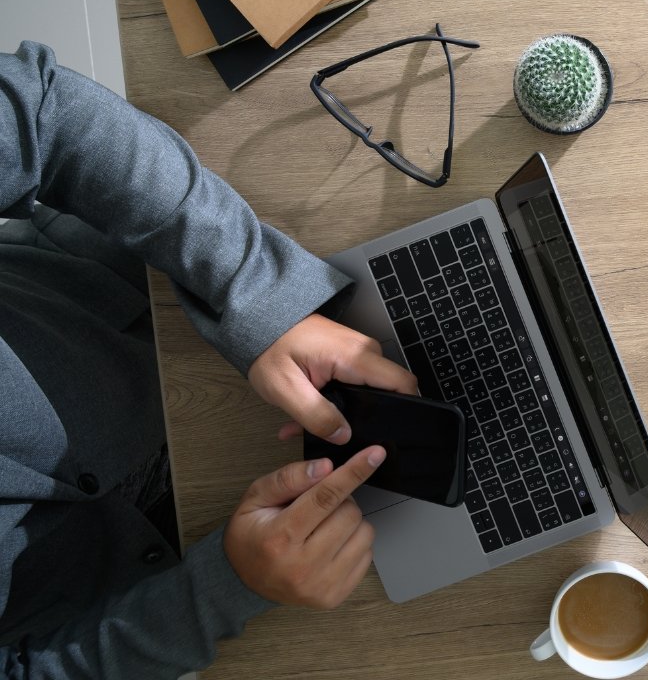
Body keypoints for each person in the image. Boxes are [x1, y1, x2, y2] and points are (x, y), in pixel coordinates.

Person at [0, 41, 418, 678]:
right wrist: (222, 591)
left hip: (160, 315)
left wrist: (255, 293)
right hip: (150, 607)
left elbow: (45, 113)